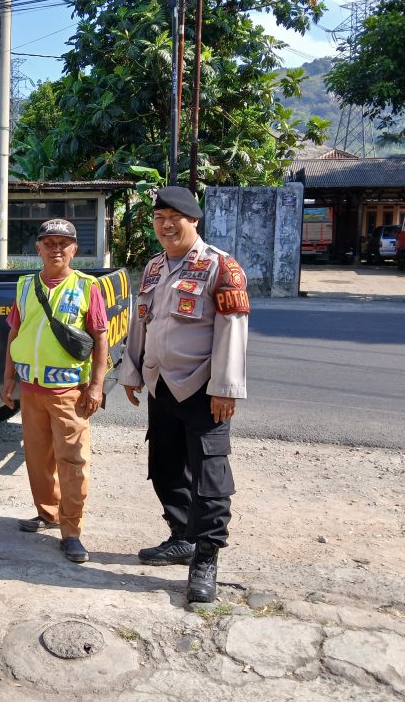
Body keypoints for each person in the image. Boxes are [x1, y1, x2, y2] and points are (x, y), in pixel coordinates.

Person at [118, 185, 249, 603]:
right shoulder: (155, 268)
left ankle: (205, 558)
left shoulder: (221, 268)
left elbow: (232, 331)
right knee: (166, 466)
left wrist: (226, 388)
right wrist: (132, 372)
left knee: (210, 478)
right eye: (159, 219)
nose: (166, 225)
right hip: (160, 387)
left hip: (203, 389)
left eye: (175, 217)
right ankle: (181, 537)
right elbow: (142, 323)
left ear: (194, 220)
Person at [0, 219, 109, 564]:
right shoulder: (24, 286)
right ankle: (47, 513)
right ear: (38, 248)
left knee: (72, 460)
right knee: (38, 458)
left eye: (64, 243)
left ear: (75, 249)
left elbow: (101, 337)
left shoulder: (86, 286)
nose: (56, 249)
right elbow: (14, 334)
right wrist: (8, 379)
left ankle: (72, 531)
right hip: (31, 391)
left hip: (69, 393)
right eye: (50, 242)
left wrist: (96, 386)